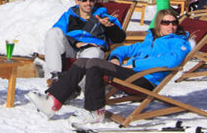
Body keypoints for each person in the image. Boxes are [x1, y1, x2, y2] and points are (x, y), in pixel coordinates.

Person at [30, 9, 191, 124]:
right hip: (132, 74)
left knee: (94, 64)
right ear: (158, 24)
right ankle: (53, 102)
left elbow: (170, 62)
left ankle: (95, 111)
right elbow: (125, 49)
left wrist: (135, 63)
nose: (171, 26)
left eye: (174, 22)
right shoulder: (151, 40)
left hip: (145, 80)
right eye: (166, 22)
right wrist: (115, 57)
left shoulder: (180, 43)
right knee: (83, 62)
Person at [41, 0, 126, 83]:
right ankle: (55, 76)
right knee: (53, 32)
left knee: (93, 53)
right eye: (84, 0)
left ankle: (77, 87)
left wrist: (109, 27)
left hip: (92, 49)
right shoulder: (68, 16)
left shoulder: (103, 17)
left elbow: (120, 38)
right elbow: (57, 34)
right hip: (72, 48)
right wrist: (76, 43)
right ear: (77, 1)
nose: (88, 3)